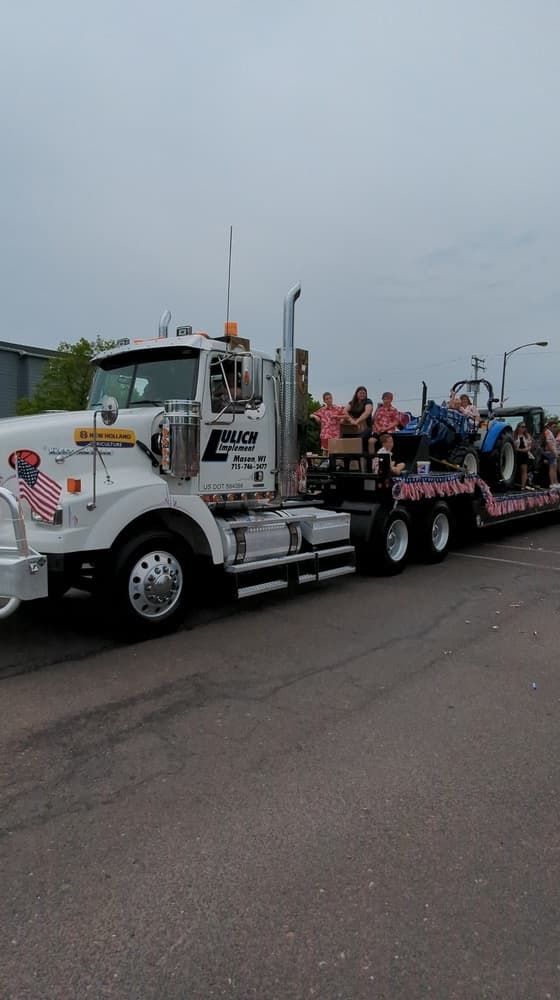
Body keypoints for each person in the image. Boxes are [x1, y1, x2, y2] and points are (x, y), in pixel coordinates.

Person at [343, 386, 373, 451]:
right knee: (344, 437)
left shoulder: (368, 401)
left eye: (364, 393)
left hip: (366, 427)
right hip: (353, 428)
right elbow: (344, 411)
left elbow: (367, 412)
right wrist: (351, 420)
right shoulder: (352, 402)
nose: (362, 395)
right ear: (356, 394)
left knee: (358, 440)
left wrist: (357, 421)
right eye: (360, 393)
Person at [514, 421, 533, 490]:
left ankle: (523, 486)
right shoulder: (514, 435)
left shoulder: (527, 435)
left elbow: (530, 445)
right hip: (516, 454)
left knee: (524, 470)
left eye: (524, 427)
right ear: (518, 427)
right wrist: (519, 450)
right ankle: (515, 484)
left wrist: (526, 449)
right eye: (522, 427)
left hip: (525, 454)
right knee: (516, 469)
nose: (523, 428)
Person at [543, 421, 559, 488]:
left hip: (553, 451)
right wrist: (554, 452)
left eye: (555, 427)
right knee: (552, 468)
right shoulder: (547, 432)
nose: (554, 428)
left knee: (554, 468)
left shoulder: (551, 433)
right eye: (553, 426)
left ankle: (556, 482)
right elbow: (549, 443)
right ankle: (552, 483)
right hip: (550, 452)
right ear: (549, 426)